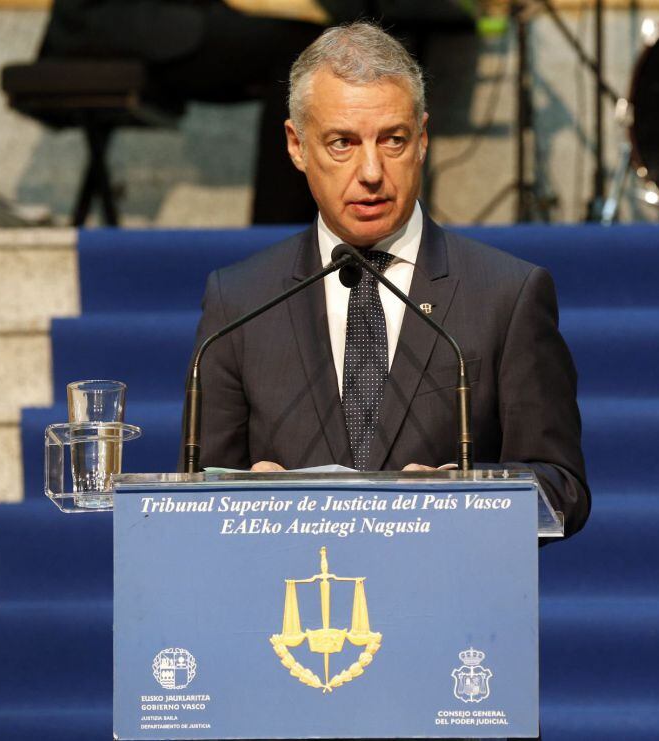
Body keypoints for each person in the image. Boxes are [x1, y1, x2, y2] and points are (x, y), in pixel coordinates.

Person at [187, 22, 590, 538]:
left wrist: (471, 496)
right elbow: (194, 495)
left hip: (446, 602)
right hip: (290, 606)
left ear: (422, 140)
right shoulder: (239, 302)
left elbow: (562, 487)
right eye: (342, 143)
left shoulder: (507, 295)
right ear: (296, 145)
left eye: (393, 140)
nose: (372, 170)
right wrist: (236, 495)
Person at [39, 0, 341, 223]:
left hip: (177, 13)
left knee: (308, 43)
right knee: (296, 47)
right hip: (112, 18)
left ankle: (285, 235)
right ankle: (278, 241)